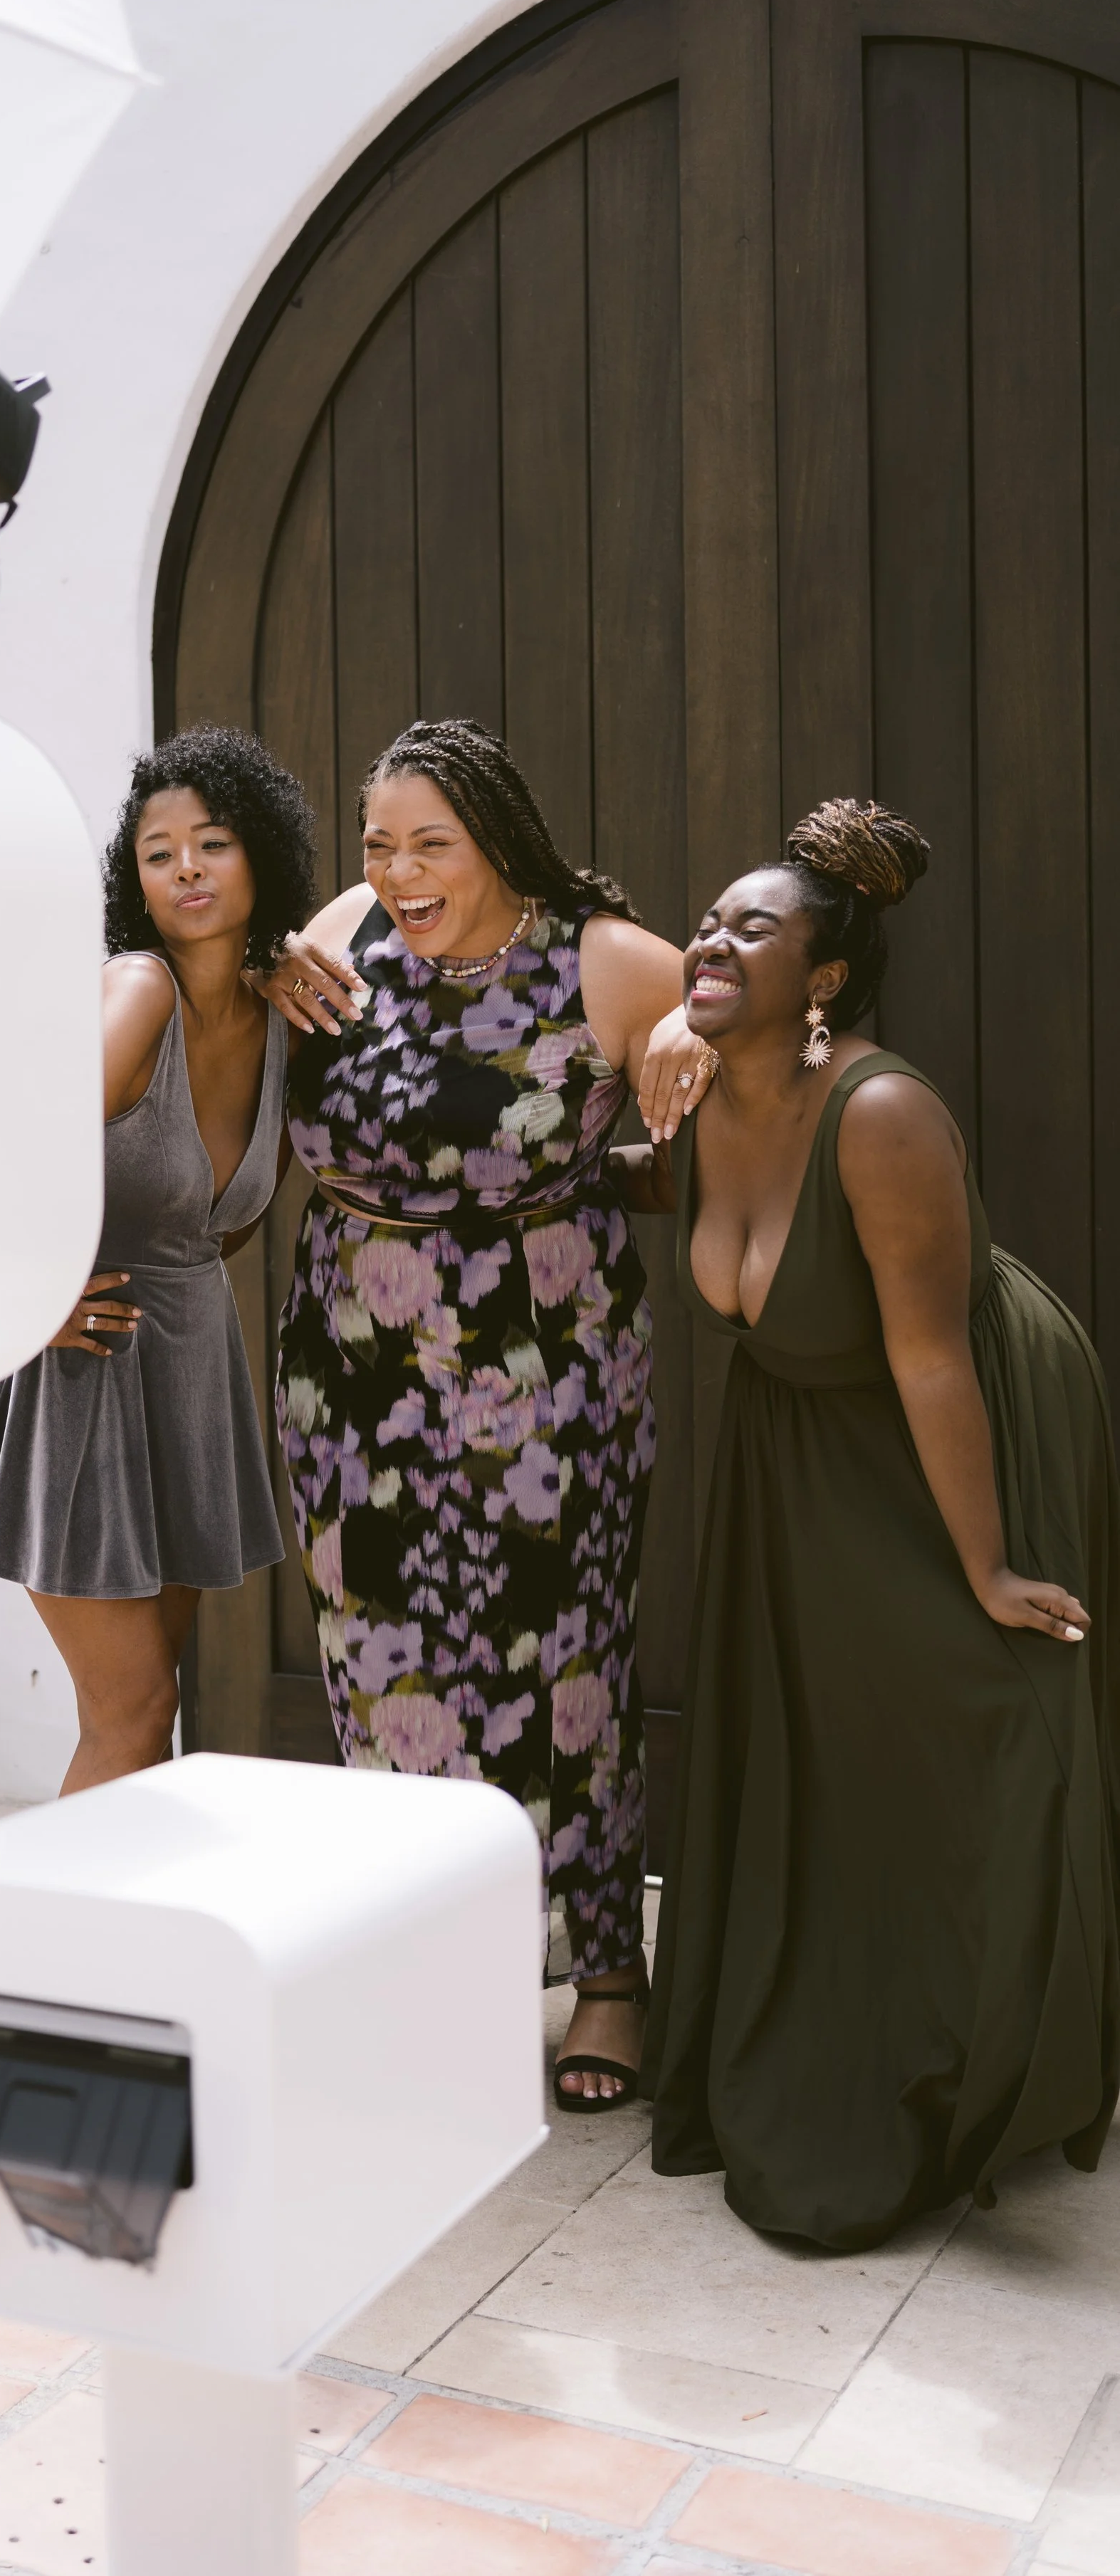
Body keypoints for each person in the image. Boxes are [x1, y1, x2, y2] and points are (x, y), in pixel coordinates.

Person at [636, 798, 1120, 2248]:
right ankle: (819, 2024)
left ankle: (982, 2077)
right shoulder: (696, 1075)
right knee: (815, 1731)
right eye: (707, 918)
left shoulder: (882, 1110)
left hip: (953, 1413)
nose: (711, 937)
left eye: (752, 927)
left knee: (985, 1706)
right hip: (793, 1431)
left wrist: (985, 1562)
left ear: (826, 979)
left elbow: (927, 1356)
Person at [263, 717, 711, 2111]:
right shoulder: (346, 929)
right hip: (348, 1378)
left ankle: (606, 1980)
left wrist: (697, 1014)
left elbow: (751, 1042)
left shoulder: (595, 956)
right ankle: (421, 1969)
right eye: (378, 840)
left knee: (558, 1675)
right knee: (382, 1679)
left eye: (429, 845)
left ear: (498, 845)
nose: (396, 870)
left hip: (542, 1383)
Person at [0, 726, 314, 1792]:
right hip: (82, 1377)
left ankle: (112, 1939)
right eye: (160, 852)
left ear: (262, 857)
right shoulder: (137, 990)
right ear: (136, 881)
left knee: (147, 1715)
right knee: (136, 1707)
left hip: (188, 1379)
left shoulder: (283, 1020)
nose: (187, 868)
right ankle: (54, 1954)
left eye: (213, 842)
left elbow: (217, 1221)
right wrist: (23, 1301)